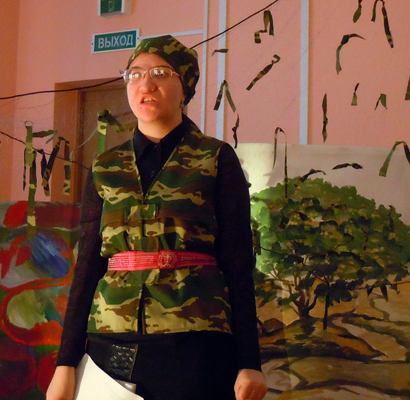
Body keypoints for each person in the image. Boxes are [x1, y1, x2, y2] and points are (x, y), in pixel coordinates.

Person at [47, 35, 267, 400]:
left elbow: (239, 263)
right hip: (110, 343)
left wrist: (250, 362)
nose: (145, 84)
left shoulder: (215, 158)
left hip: (194, 345)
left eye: (161, 73)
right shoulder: (106, 167)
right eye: (134, 74)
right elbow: (87, 266)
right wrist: (65, 363)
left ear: (185, 87)